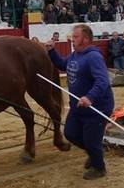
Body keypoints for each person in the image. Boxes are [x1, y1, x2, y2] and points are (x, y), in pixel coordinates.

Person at [45, 24, 114, 180]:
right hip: (78, 106)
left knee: (91, 140)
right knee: (70, 133)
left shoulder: (93, 57)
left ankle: (99, 167)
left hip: (97, 107)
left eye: (76, 37)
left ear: (86, 39)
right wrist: (51, 51)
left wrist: (90, 97)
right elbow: (63, 65)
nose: (72, 39)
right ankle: (94, 152)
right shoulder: (75, 55)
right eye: (73, 36)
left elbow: (102, 81)